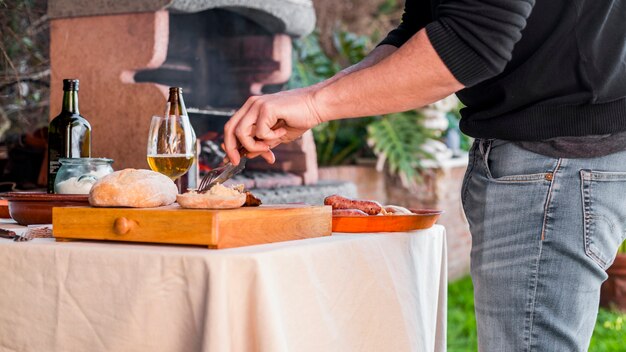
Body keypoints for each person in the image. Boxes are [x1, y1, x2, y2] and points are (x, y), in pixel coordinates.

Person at [223, 1, 626, 350]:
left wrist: (315, 105)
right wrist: (311, 100)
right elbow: (425, 27)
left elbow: (474, 40)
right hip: (549, 159)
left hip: (555, 163)